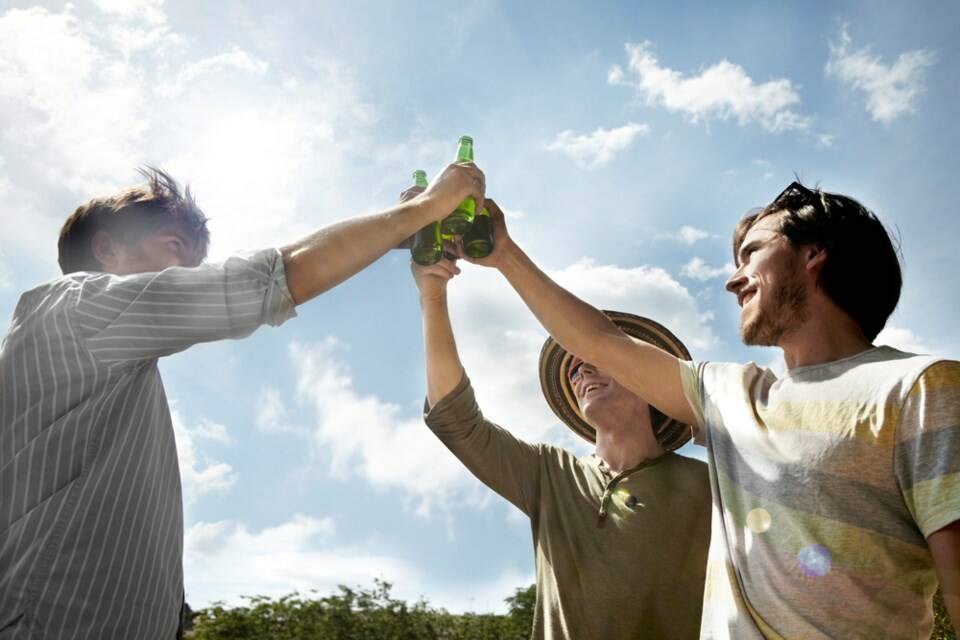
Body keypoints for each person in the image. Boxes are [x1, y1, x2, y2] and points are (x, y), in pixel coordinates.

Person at [0, 163, 484, 639]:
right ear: (106, 247)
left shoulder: (106, 358)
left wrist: (404, 224)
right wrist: (426, 207)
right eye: (175, 248)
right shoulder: (75, 306)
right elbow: (271, 277)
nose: (189, 274)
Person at [459, 184, 959, 638]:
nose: (732, 281)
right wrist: (504, 254)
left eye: (751, 254)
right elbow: (600, 342)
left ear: (814, 253)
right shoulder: (726, 394)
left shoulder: (921, 388)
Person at [410, 250, 711, 639]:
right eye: (573, 366)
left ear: (647, 375)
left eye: (595, 359)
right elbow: (456, 420)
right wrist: (432, 295)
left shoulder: (711, 487)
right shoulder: (549, 473)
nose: (578, 370)